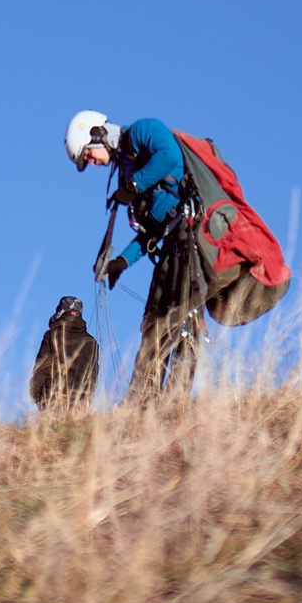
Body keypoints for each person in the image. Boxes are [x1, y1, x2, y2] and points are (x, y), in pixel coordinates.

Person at [65, 111, 207, 398]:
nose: (91, 163)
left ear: (98, 135)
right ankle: (142, 401)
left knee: (183, 318)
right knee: (153, 324)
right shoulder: (127, 169)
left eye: (88, 155)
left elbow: (169, 155)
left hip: (189, 237)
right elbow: (150, 234)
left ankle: (176, 399)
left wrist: (133, 186)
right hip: (169, 245)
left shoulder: (143, 131)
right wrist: (121, 262)